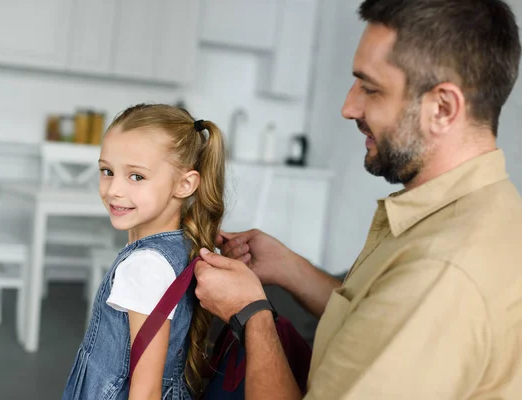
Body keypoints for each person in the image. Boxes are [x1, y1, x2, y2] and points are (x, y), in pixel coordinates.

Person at [194, 0, 522, 398]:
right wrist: (290, 269)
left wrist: (251, 314)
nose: (349, 107)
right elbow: (376, 319)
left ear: (442, 107)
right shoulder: (474, 209)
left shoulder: (441, 271)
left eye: (370, 88)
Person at [62, 103, 225, 399]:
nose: (114, 190)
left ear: (185, 184)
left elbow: (146, 391)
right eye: (107, 171)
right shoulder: (183, 243)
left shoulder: (144, 266)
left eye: (136, 176)